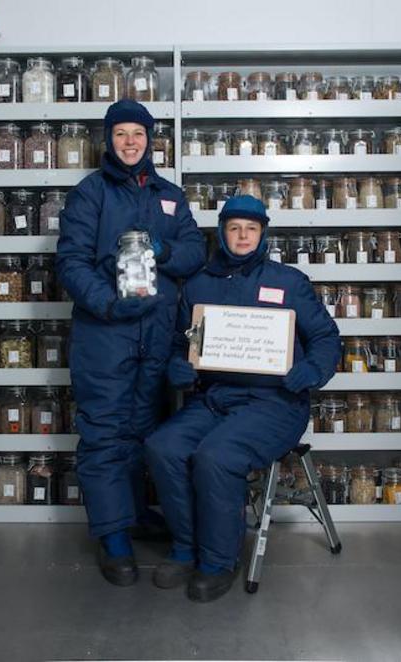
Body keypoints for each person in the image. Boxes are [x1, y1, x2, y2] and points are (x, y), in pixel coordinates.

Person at [144, 195, 341, 602]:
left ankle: (218, 561)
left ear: (263, 233)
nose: (243, 236)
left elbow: (325, 338)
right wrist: (179, 366)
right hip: (216, 398)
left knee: (218, 456)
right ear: (222, 233)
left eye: (251, 229)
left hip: (276, 403)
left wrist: (313, 371)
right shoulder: (199, 283)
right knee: (162, 446)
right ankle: (186, 548)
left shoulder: (288, 282)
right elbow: (185, 342)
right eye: (234, 228)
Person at [56, 99, 206, 587]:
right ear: (108, 140)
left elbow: (193, 252)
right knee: (104, 434)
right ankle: (114, 536)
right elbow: (71, 263)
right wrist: (107, 304)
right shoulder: (90, 194)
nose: (129, 142)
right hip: (106, 334)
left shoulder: (169, 195)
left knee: (147, 430)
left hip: (158, 335)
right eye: (120, 134)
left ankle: (138, 514)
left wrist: (165, 250)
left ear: (150, 139)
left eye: (137, 134)